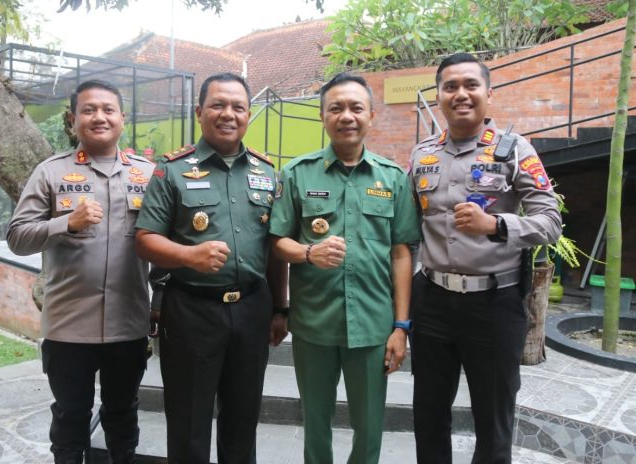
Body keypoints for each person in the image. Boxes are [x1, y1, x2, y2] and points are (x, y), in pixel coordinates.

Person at [409, 52, 562, 463]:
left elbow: (551, 222)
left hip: (495, 304)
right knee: (428, 414)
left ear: (488, 94)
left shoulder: (515, 150)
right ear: (439, 96)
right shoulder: (422, 154)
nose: (460, 94)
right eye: (450, 86)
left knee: (493, 420)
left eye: (470, 85)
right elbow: (408, 229)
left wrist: (496, 225)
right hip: (433, 301)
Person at [134, 73, 289, 464]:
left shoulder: (267, 172)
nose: (228, 114)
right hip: (192, 311)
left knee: (243, 420)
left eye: (238, 107)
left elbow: (274, 248)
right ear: (199, 111)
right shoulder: (171, 170)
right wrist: (189, 256)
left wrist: (280, 308)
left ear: (248, 115)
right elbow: (145, 239)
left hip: (252, 308)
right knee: (188, 423)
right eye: (218, 105)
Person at [269, 73, 421, 464]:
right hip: (314, 324)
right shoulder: (297, 173)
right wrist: (309, 253)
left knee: (369, 426)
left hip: (373, 326)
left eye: (356, 108)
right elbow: (277, 243)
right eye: (336, 108)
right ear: (323, 116)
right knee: (315, 422)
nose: (346, 116)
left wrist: (401, 326)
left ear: (371, 115)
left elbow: (401, 253)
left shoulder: (392, 178)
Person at [7, 79, 155, 464]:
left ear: (123, 118)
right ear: (73, 120)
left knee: (123, 414)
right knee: (70, 417)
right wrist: (66, 223)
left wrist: (161, 303)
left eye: (108, 109)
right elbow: (17, 237)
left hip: (128, 324)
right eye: (88, 110)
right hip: (69, 328)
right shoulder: (50, 173)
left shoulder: (148, 175)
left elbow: (165, 243)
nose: (99, 117)